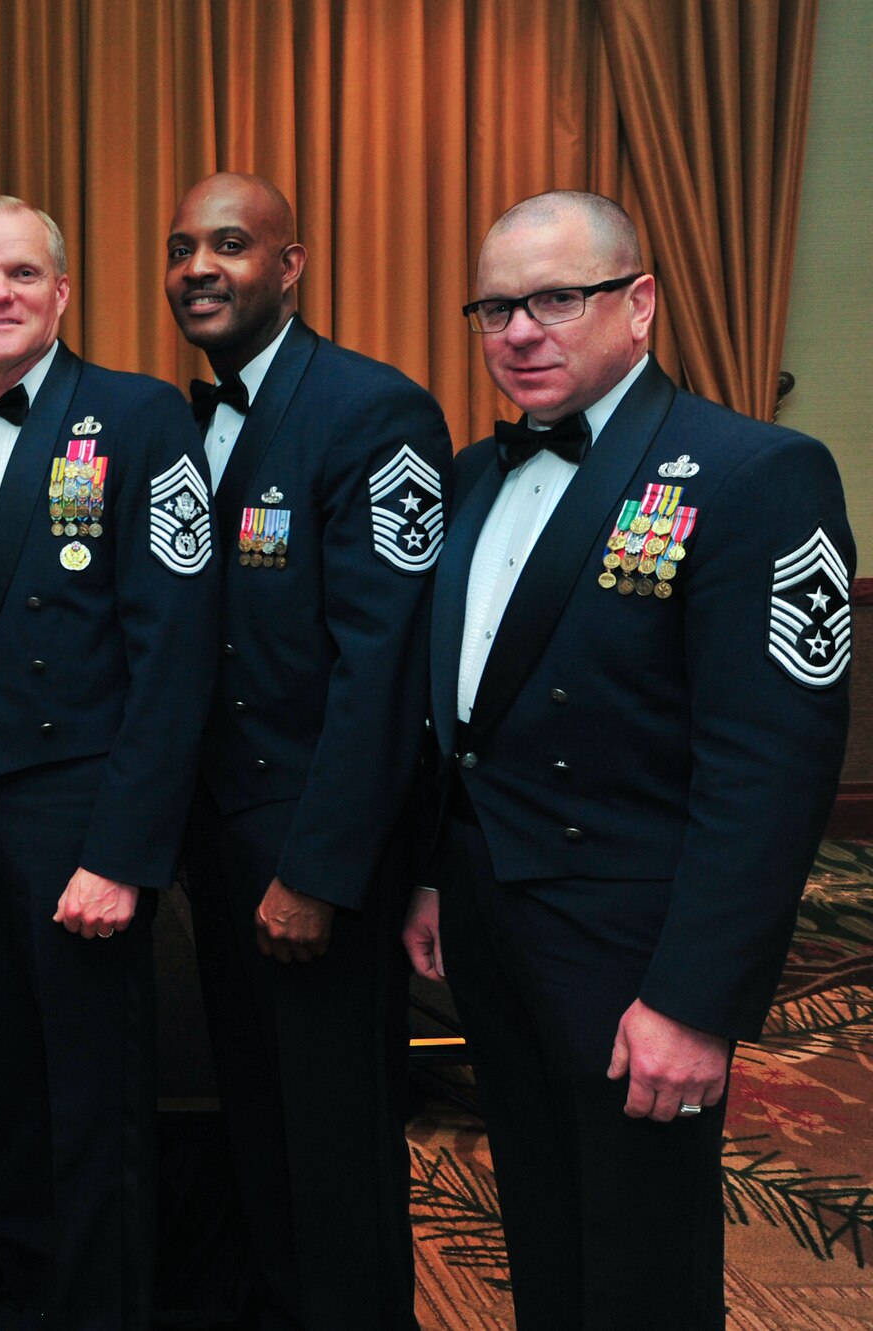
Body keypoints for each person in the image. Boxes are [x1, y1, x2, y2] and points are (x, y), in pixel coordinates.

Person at [403, 190, 853, 1329]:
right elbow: (461, 712)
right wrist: (431, 870)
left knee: (639, 1252)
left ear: (637, 303)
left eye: (556, 298)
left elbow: (769, 769)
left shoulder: (755, 473)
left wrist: (694, 999)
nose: (518, 330)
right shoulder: (469, 474)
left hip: (634, 947)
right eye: (495, 306)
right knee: (543, 1223)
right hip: (494, 914)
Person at [0, 195, 215, 1329]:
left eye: (21, 275)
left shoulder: (135, 420)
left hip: (85, 818)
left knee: (93, 1101)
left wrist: (124, 852)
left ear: (62, 293)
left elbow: (172, 654)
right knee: (18, 1087)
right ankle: (33, 1298)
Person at [165, 173, 448, 1330]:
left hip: (312, 853)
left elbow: (383, 670)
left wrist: (317, 871)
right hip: (218, 841)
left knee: (334, 1141)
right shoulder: (182, 418)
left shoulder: (371, 411)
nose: (197, 267)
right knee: (258, 1118)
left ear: (290, 266)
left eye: (228, 244)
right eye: (181, 246)